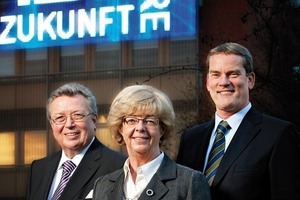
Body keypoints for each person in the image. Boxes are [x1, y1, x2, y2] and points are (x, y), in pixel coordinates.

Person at [176, 42, 300, 200]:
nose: (223, 82)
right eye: (216, 74)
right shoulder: (191, 139)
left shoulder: (278, 134)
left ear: (250, 80)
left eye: (233, 74)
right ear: (207, 82)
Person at [93, 85, 211, 200]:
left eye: (150, 121)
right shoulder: (102, 185)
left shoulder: (189, 182)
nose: (140, 128)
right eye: (131, 120)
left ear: (162, 129)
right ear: (120, 128)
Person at [26, 82, 127, 200]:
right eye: (60, 118)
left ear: (94, 121)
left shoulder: (119, 166)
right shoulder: (39, 168)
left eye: (77, 115)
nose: (69, 124)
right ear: (52, 125)